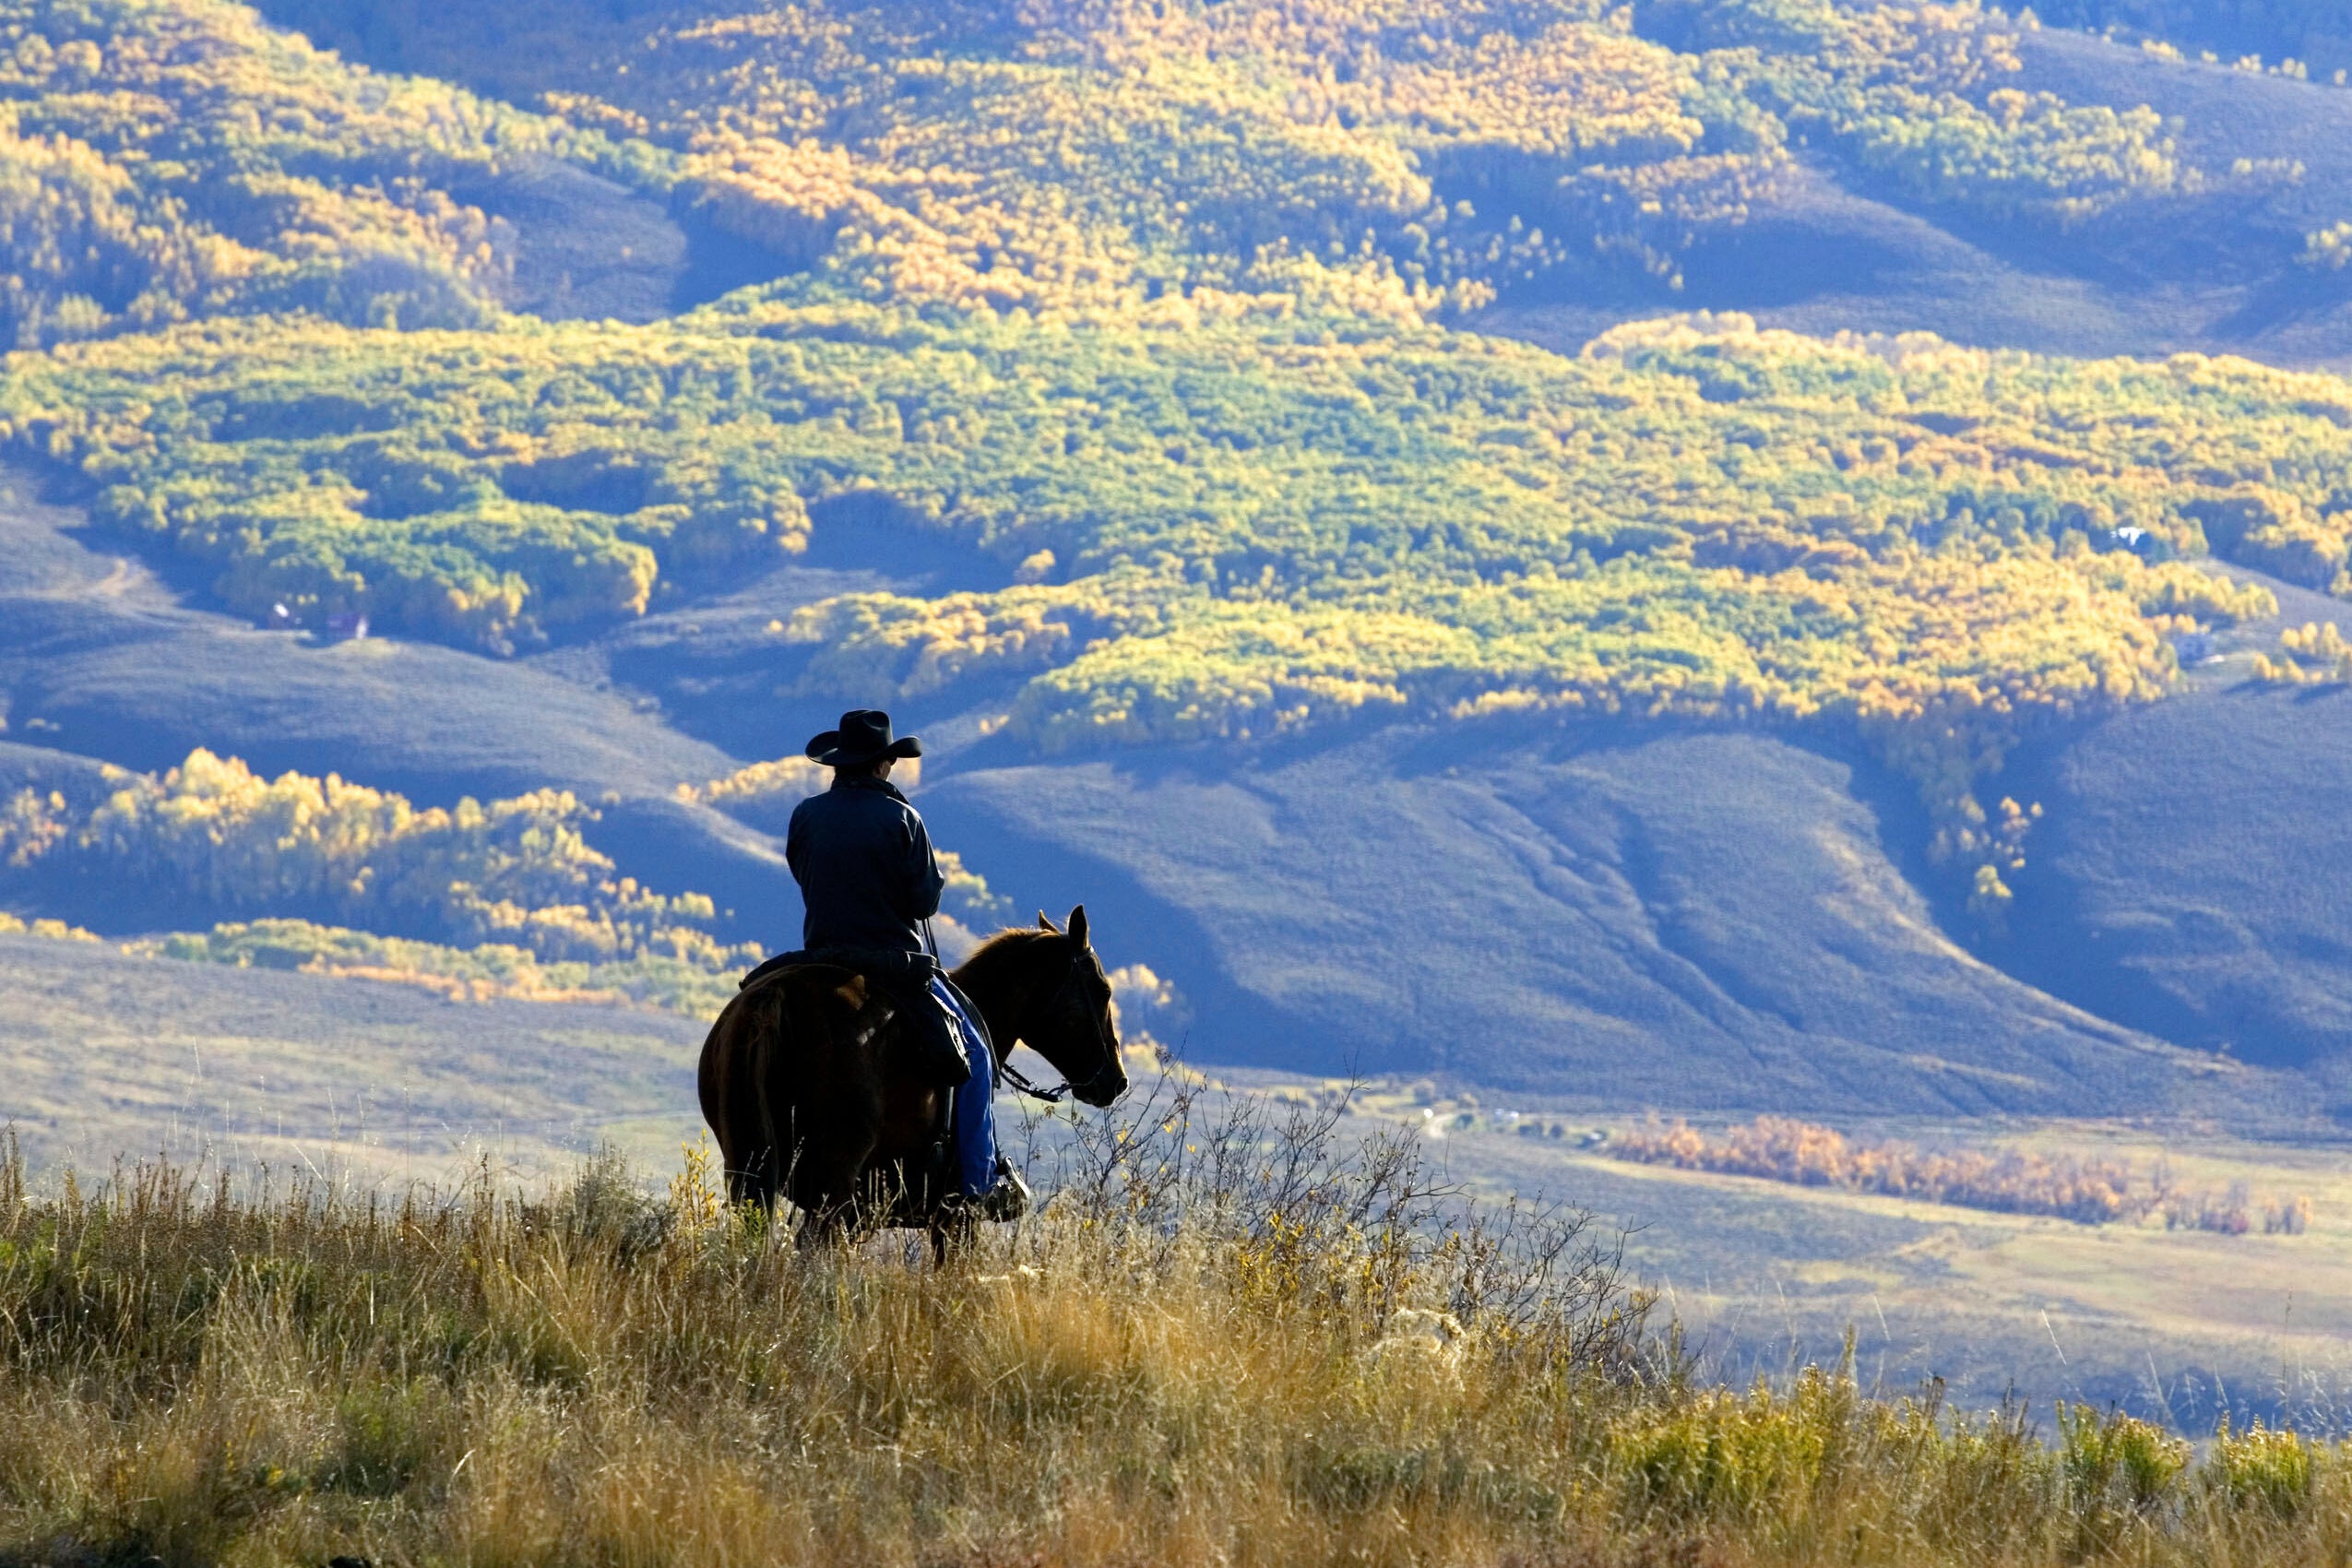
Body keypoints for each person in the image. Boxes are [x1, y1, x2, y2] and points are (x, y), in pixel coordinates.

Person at [784, 708, 1028, 1219]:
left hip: (820, 959)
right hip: (892, 965)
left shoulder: (805, 815)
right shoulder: (902, 818)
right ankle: (980, 1181)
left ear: (839, 764)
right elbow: (924, 902)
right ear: (881, 765)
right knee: (978, 1054)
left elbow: (803, 875)